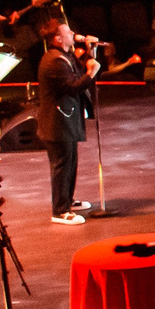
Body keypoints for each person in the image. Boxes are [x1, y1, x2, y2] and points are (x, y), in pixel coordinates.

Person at [35, 11, 100, 225]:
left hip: (65, 119)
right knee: (61, 166)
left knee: (71, 163)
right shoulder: (54, 61)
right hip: (56, 123)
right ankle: (60, 211)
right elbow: (74, 87)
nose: (73, 33)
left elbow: (80, 69)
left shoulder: (65, 54)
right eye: (68, 32)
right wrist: (92, 73)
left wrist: (91, 50)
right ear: (57, 38)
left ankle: (68, 201)